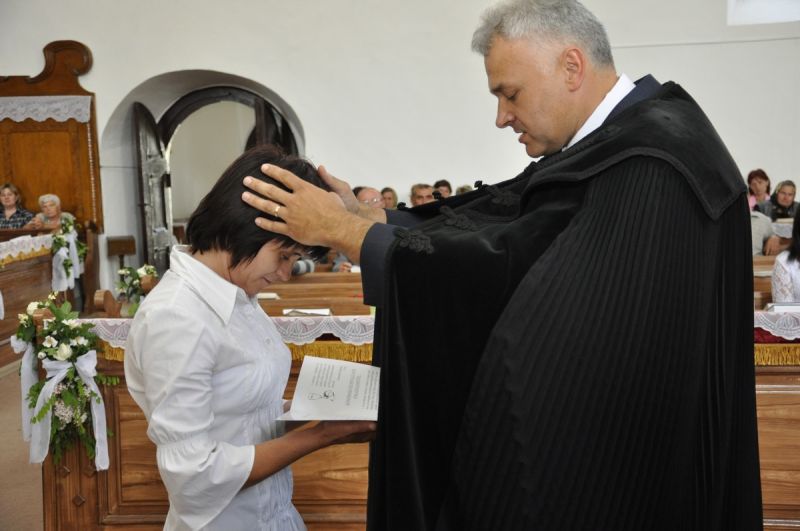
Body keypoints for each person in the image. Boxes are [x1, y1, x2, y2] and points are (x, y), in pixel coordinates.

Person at [242, 1, 762, 529]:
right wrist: (372, 220)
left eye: (510, 94)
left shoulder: (653, 164)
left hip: (623, 481)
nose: (501, 117)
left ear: (572, 67)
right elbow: (508, 221)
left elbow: (516, 272)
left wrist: (348, 235)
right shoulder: (622, 142)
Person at [125, 146, 375, 531]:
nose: (286, 274)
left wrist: (319, 407)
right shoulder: (177, 316)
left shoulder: (237, 295)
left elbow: (245, 415)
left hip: (271, 512)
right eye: (284, 256)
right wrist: (321, 435)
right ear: (247, 227)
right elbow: (193, 476)